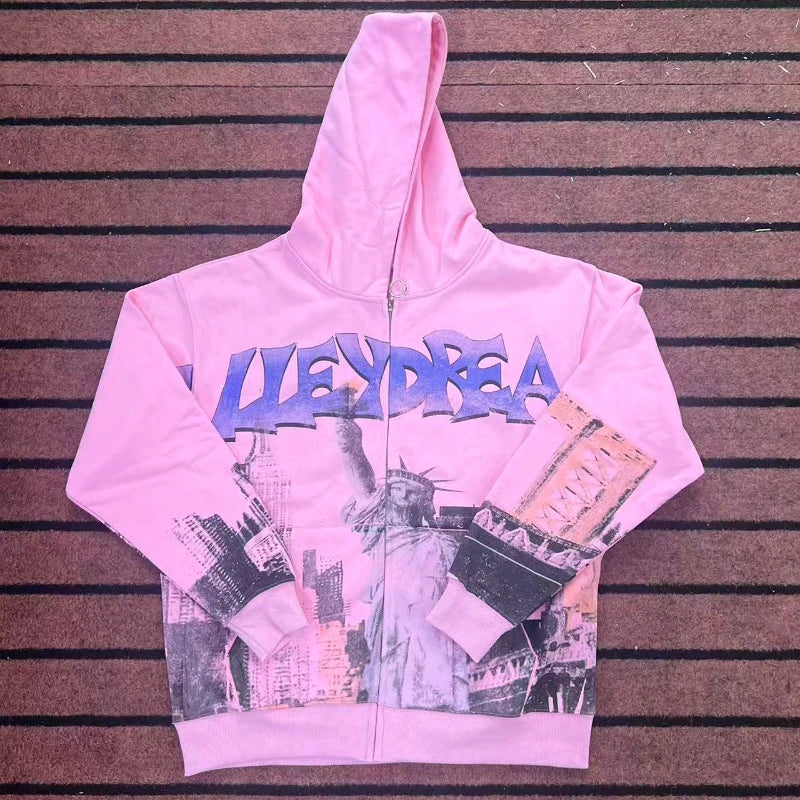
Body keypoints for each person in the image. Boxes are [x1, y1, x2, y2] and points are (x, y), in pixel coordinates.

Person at [335, 417, 471, 711]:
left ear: (424, 502)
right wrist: (351, 446)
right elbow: (363, 483)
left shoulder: (443, 543)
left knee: (430, 663)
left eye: (412, 493)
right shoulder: (384, 533)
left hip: (432, 626)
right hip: (393, 617)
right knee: (392, 664)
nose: (404, 496)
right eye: (397, 490)